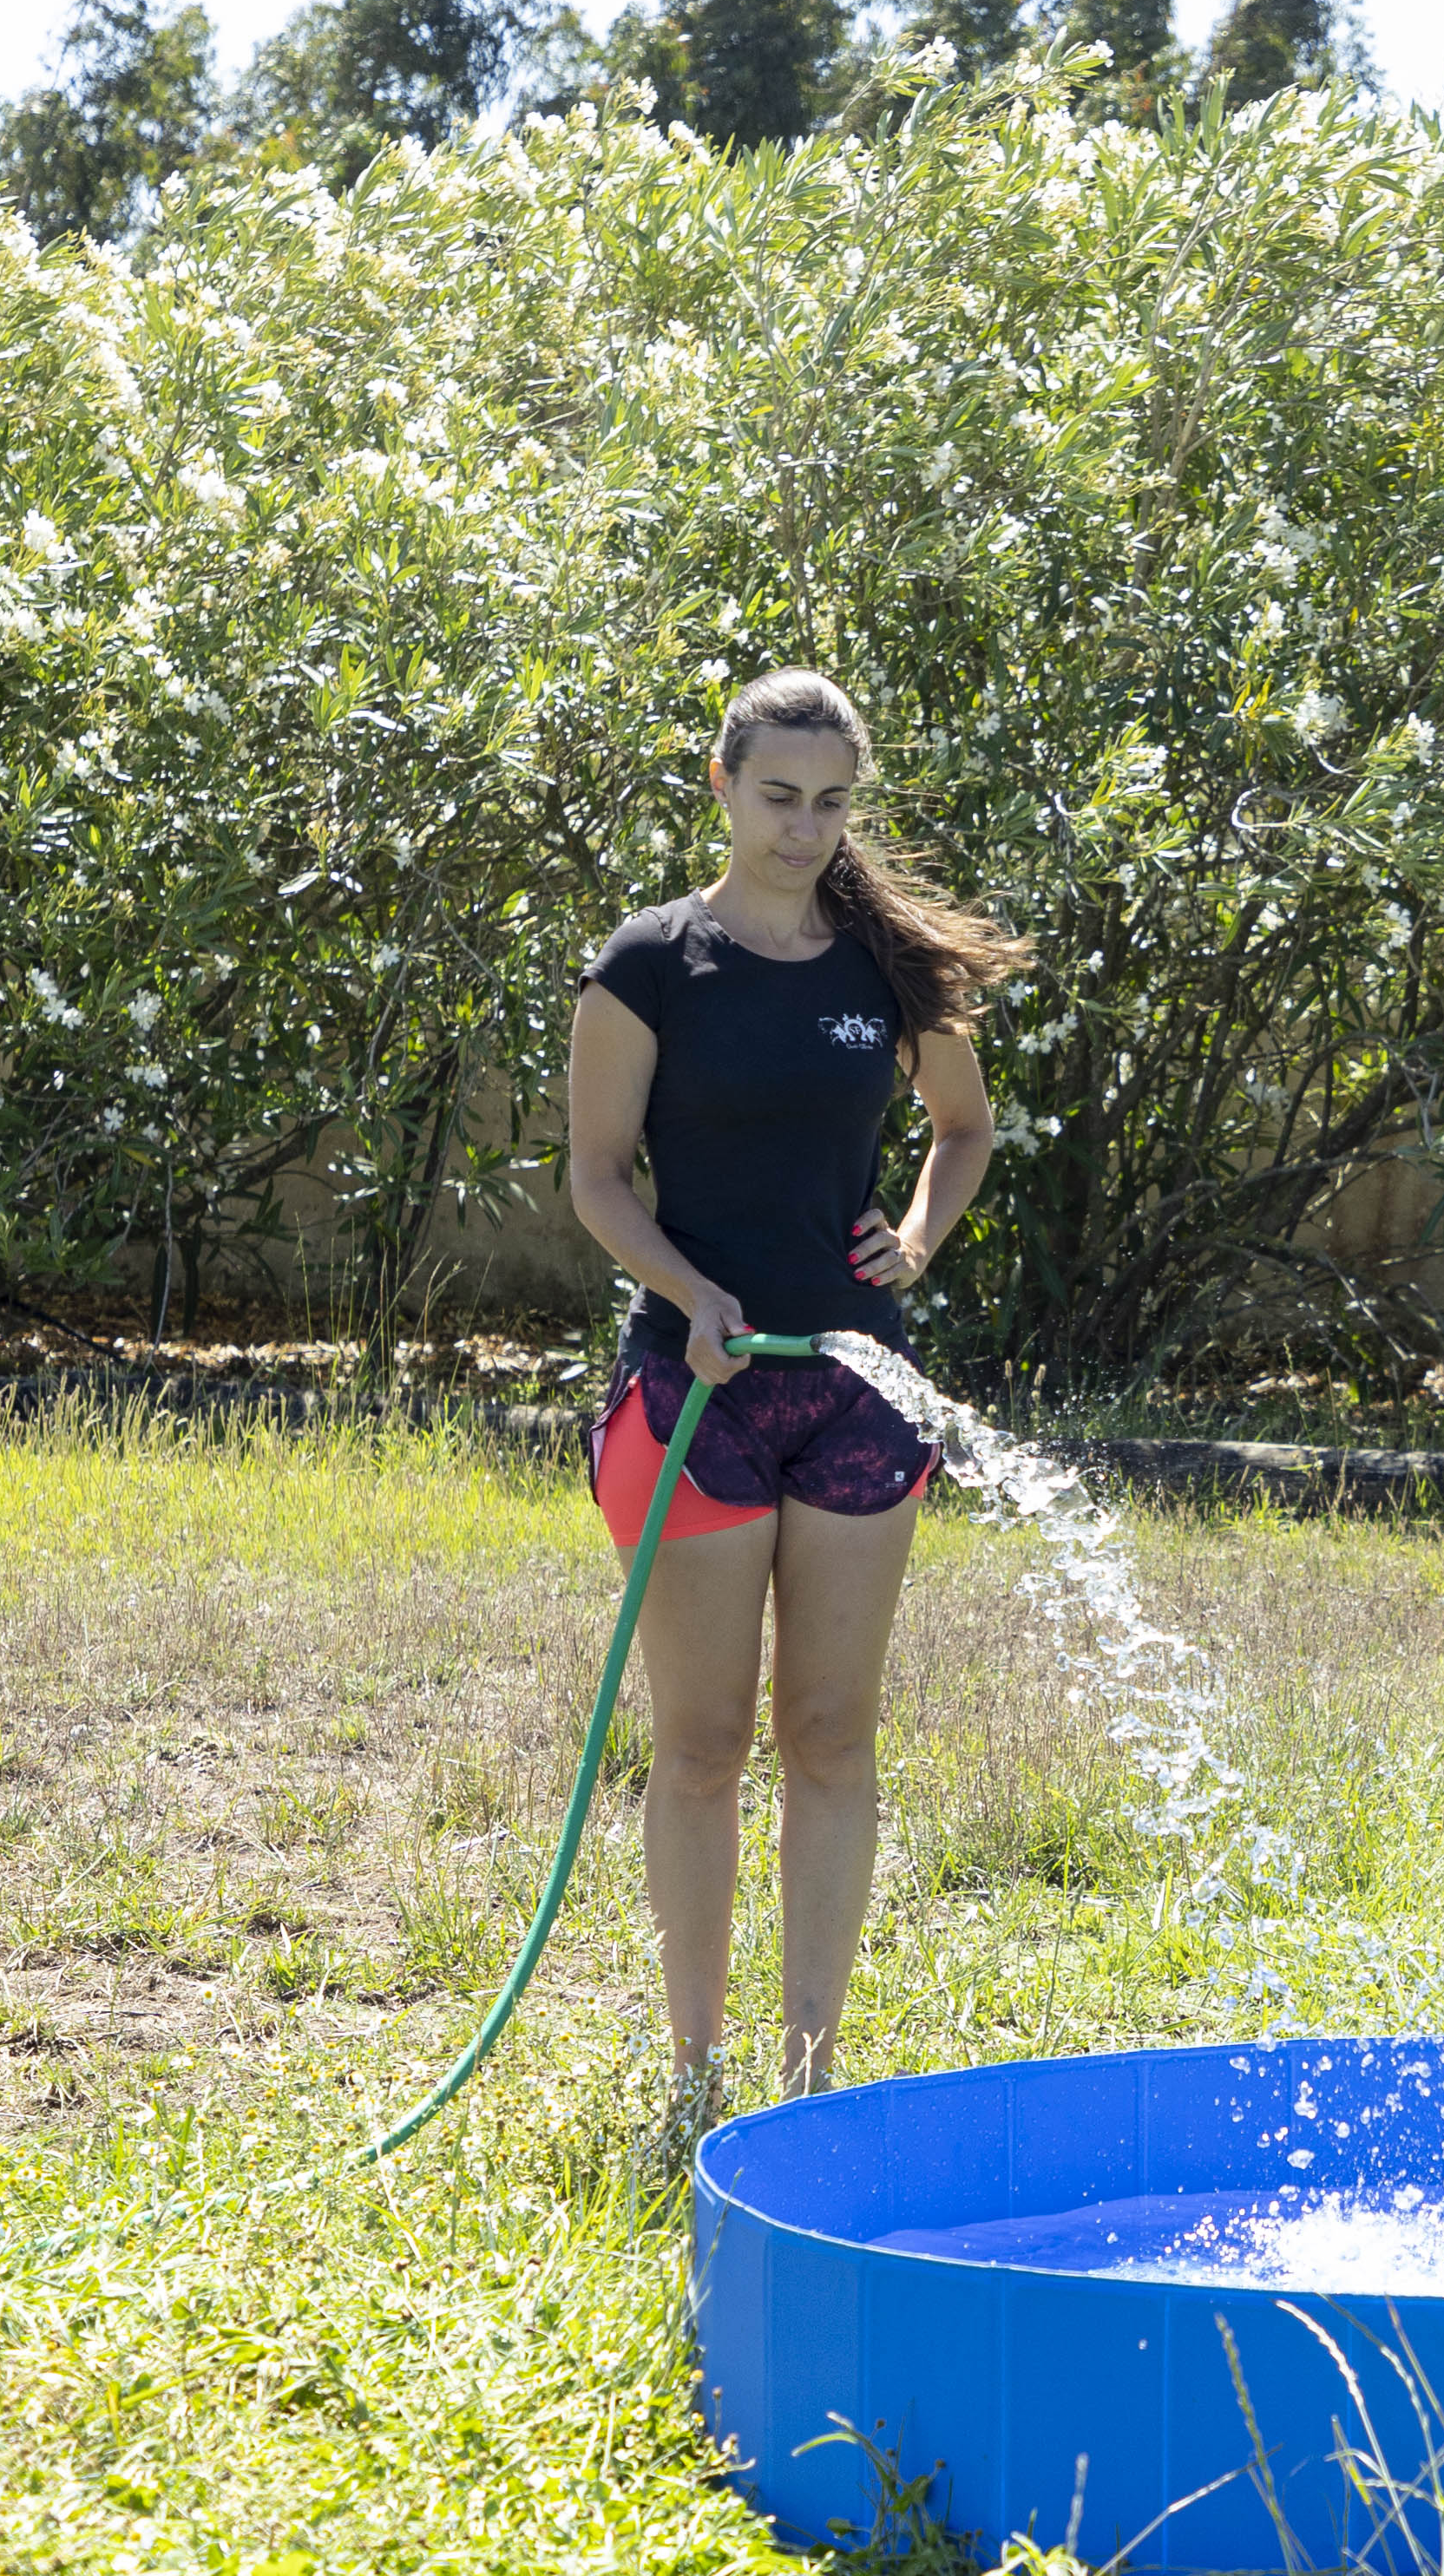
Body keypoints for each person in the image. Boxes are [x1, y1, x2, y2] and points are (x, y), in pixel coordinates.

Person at [566, 667, 1029, 2134]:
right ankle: (697, 2074)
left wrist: (919, 1234)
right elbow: (594, 1179)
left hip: (856, 1396)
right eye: (779, 797)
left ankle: (809, 2081)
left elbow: (963, 1130)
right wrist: (689, 1294)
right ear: (722, 785)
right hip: (695, 1396)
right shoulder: (650, 964)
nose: (806, 828)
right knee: (701, 1744)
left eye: (832, 803)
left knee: (831, 1733)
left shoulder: (883, 968)